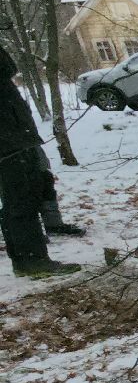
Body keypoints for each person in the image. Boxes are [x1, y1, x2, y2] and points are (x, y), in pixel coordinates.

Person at [1, 43, 80, 278]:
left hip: (12, 141)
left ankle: (24, 262)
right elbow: (7, 67)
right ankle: (34, 262)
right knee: (22, 201)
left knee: (17, 201)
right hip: (9, 143)